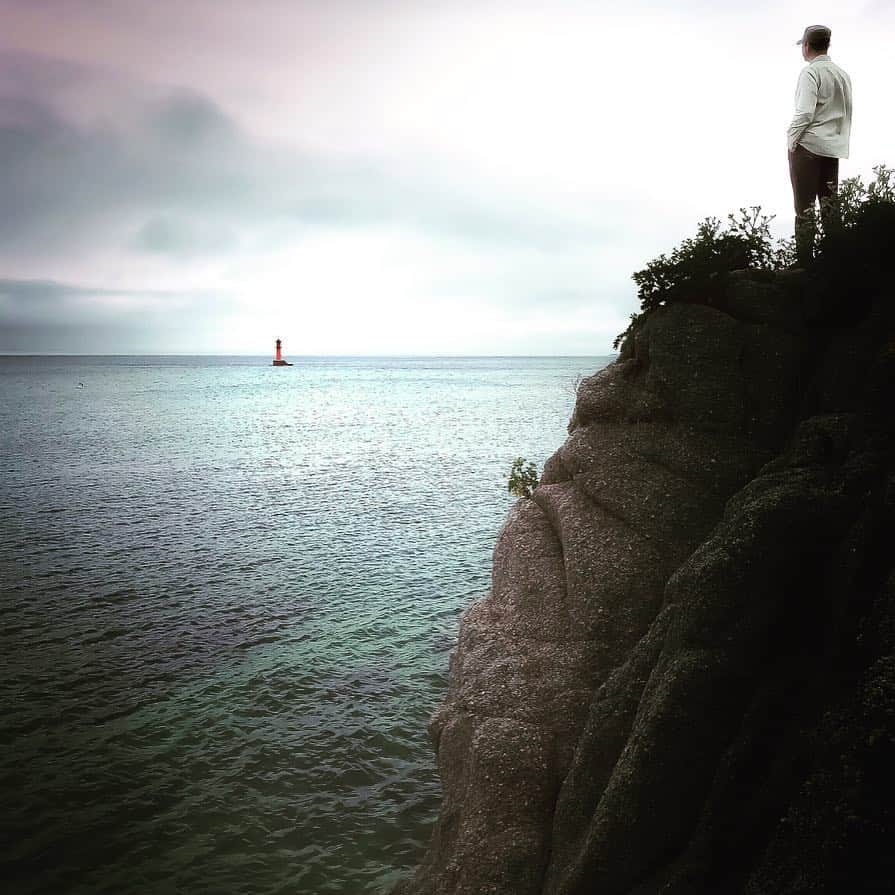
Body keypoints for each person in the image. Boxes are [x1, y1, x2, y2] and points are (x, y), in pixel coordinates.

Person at [787, 25, 853, 264]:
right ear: (827, 44)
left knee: (804, 208)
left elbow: (804, 113)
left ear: (806, 46)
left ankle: (804, 264)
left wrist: (792, 139)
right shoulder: (841, 74)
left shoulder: (810, 73)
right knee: (830, 207)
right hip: (832, 147)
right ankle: (835, 261)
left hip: (809, 146)